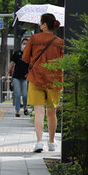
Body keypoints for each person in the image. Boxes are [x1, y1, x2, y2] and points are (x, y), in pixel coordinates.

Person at [23, 13, 65, 152]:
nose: (39, 25)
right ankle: (52, 142)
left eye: (40, 23)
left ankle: (39, 142)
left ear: (45, 25)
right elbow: (63, 61)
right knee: (52, 113)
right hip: (54, 80)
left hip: (36, 78)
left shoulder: (34, 39)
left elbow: (25, 58)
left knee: (39, 112)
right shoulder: (60, 42)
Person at [7, 38, 30, 116]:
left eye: (27, 44)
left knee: (25, 94)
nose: (25, 45)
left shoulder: (30, 54)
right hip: (16, 76)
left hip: (25, 77)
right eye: (24, 43)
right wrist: (7, 74)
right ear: (21, 44)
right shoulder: (17, 53)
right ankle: (17, 110)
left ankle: (25, 107)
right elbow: (11, 64)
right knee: (17, 94)